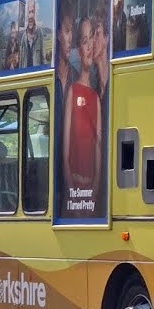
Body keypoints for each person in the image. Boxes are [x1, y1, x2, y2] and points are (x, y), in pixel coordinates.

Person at [62, 18, 103, 209]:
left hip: (90, 191)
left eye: (91, 42)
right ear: (79, 49)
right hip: (74, 189)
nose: (88, 47)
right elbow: (65, 150)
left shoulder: (96, 99)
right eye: (84, 41)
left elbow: (98, 147)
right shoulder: (72, 91)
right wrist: (72, 190)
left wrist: (94, 190)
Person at [20, 0, 46, 67]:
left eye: (32, 12)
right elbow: (21, 62)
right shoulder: (23, 37)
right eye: (29, 12)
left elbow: (43, 58)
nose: (30, 16)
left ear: (35, 14)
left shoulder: (40, 33)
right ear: (26, 15)